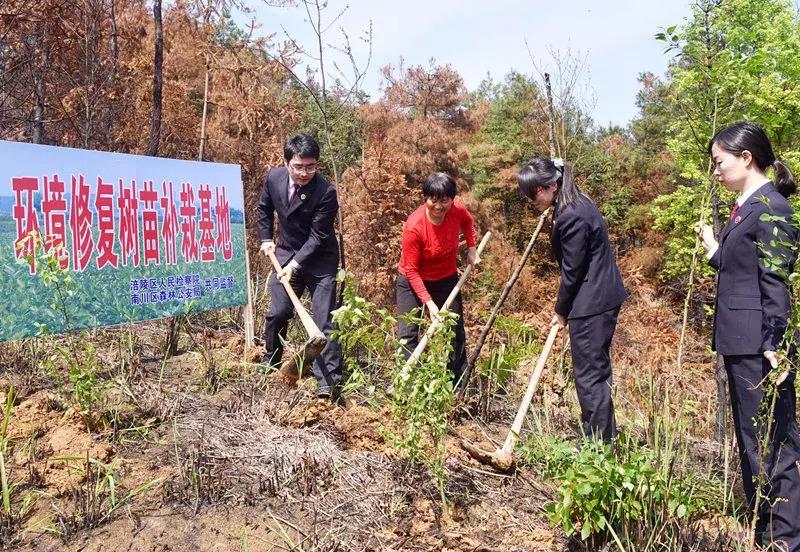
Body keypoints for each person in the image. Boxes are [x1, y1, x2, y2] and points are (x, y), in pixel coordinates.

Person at [698, 122, 800, 550]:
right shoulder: (747, 205)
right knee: (752, 441)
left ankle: (786, 539)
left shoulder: (773, 207)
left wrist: (775, 343)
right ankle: (765, 532)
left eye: (719, 162)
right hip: (740, 341)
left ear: (746, 158)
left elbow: (776, 281)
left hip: (761, 344)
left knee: (775, 443)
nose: (715, 171)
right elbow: (743, 269)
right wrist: (714, 250)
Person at [517, 158, 627, 443]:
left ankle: (598, 446)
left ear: (551, 186)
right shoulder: (576, 202)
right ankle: (603, 436)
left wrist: (560, 311)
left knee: (590, 374)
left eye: (534, 193)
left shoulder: (572, 214)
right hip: (599, 297)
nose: (531, 200)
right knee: (596, 371)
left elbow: (572, 271)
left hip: (592, 302)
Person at [256, 133, 342, 398]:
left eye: (311, 166)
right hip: (284, 252)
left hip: (320, 261)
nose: (305, 173)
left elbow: (318, 237)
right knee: (279, 312)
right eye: (298, 167)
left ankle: (327, 383)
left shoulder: (326, 192)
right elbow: (264, 208)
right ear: (287, 163)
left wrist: (294, 265)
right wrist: (267, 238)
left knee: (323, 321)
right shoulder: (274, 178)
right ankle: (271, 361)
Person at [396, 172, 478, 381]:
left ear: (452, 199)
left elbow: (468, 223)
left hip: (445, 278)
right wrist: (430, 305)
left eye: (445, 200)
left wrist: (471, 247)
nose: (439, 206)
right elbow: (412, 271)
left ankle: (458, 384)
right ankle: (410, 384)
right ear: (426, 198)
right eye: (433, 199)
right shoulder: (414, 226)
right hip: (412, 280)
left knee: (455, 330)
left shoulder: (457, 210)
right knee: (407, 333)